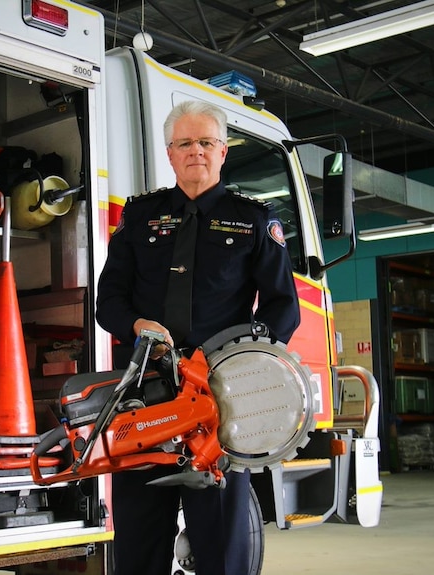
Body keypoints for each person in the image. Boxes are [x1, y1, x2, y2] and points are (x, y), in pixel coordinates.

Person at [95, 99, 301, 575]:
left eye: (206, 142)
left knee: (223, 548)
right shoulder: (140, 217)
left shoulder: (252, 218)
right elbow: (109, 301)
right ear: (170, 153)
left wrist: (241, 364)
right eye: (185, 143)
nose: (196, 152)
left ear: (223, 151)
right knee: (140, 542)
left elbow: (282, 309)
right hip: (144, 401)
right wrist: (136, 325)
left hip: (221, 405)